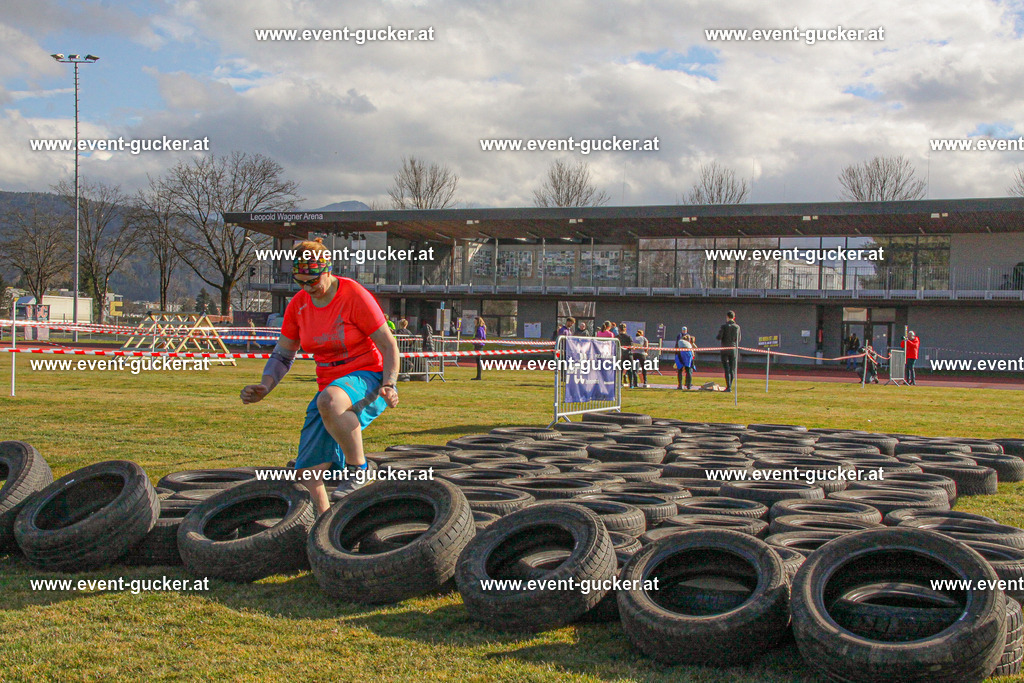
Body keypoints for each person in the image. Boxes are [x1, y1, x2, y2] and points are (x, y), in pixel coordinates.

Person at [240, 238, 400, 515]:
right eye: (300, 281)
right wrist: (265, 386)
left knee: (328, 401)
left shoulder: (353, 294)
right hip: (331, 388)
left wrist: (389, 384)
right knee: (307, 473)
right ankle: (325, 529)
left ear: (327, 270)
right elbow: (282, 355)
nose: (307, 288)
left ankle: (359, 469)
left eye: (312, 280)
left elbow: (388, 344)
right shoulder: (299, 305)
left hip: (367, 377)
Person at [716, 310, 741, 392]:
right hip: (733, 349)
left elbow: (719, 337)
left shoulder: (724, 326)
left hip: (724, 348)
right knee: (732, 368)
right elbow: (738, 339)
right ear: (734, 317)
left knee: (726, 368)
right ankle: (730, 386)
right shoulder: (737, 327)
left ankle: (728, 386)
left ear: (727, 317)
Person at [616, 323, 637, 388]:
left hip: (621, 354)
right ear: (625, 329)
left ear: (619, 329)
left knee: (620, 370)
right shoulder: (628, 337)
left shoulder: (617, 337)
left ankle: (620, 383)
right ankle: (631, 384)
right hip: (628, 354)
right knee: (629, 369)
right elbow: (631, 346)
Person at [472, 316, 486, 380]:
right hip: (478, 345)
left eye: (475, 321)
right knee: (478, 361)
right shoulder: (479, 328)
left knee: (478, 361)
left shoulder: (479, 328)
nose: (474, 322)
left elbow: (481, 336)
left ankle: (479, 376)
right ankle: (478, 376)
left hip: (479, 345)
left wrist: (475, 339)